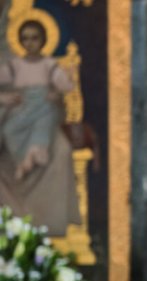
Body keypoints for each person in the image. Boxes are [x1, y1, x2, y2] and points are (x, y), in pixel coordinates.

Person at [0, 15, 81, 235]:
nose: (30, 43)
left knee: (45, 118)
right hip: (21, 110)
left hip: (44, 107)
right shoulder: (14, 66)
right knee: (8, 130)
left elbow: (64, 85)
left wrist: (64, 83)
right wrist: (5, 98)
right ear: (20, 41)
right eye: (25, 39)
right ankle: (22, 159)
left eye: (35, 38)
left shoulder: (49, 64)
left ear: (43, 40)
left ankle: (37, 150)